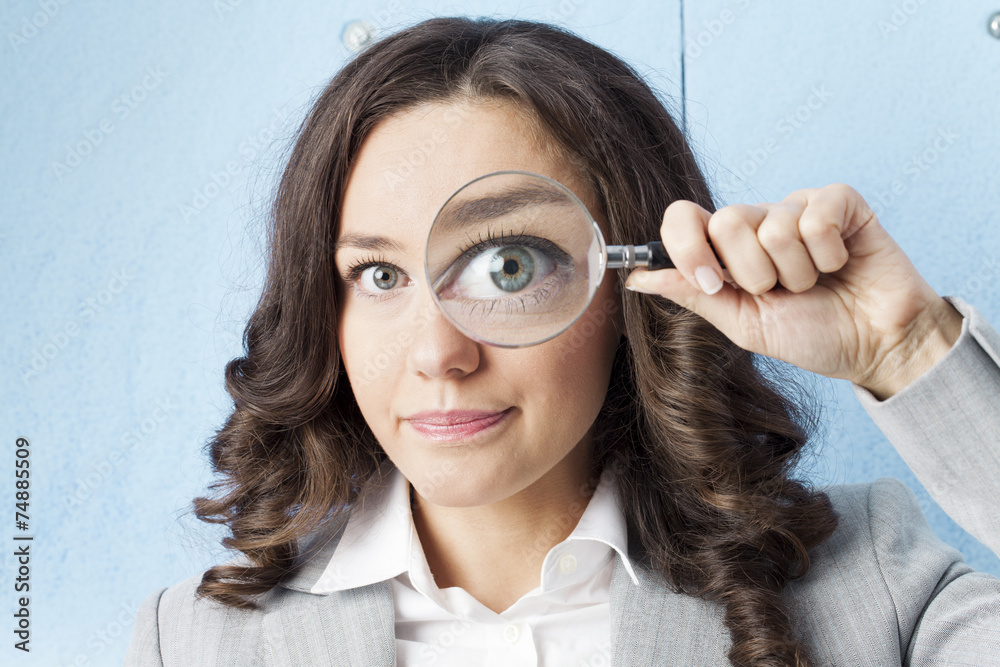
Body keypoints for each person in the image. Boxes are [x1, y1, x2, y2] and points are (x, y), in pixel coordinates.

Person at [124, 15, 1000, 666]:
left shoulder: (865, 587)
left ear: (632, 281)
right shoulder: (194, 642)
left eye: (508, 266)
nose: (438, 353)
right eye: (380, 276)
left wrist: (911, 349)